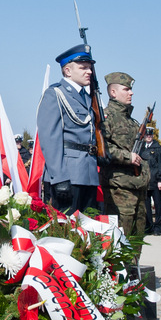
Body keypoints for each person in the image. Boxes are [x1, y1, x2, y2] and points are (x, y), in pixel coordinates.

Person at [35, 44, 101, 214]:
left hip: (89, 175)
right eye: (83, 67)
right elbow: (50, 139)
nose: (89, 72)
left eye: (90, 67)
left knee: (90, 231)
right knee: (67, 232)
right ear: (67, 71)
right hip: (69, 174)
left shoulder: (88, 98)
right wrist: (60, 178)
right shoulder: (56, 94)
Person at [101, 72, 148, 238]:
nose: (131, 93)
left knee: (136, 239)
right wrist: (128, 157)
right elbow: (102, 147)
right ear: (113, 92)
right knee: (120, 240)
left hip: (137, 187)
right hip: (119, 190)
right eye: (126, 89)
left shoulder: (131, 121)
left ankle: (134, 265)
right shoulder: (106, 117)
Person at [139, 129, 161, 234]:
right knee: (146, 206)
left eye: (150, 135)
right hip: (144, 181)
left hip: (155, 181)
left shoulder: (158, 149)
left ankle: (158, 227)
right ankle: (149, 226)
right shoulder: (141, 148)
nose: (148, 137)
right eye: (147, 135)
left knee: (157, 205)